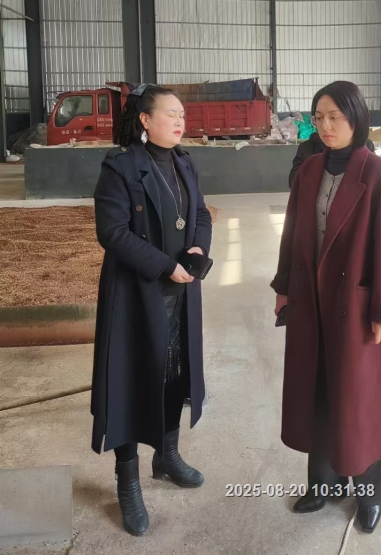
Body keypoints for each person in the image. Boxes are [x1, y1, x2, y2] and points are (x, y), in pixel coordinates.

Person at [272, 81, 381, 534]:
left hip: (358, 308)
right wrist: (283, 286)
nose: (326, 126)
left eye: (336, 117)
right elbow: (293, 233)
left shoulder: (379, 174)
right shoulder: (309, 170)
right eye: (320, 117)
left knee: (359, 403)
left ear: (356, 119)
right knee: (319, 395)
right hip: (311, 302)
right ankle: (324, 485)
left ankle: (369, 495)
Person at [91, 84, 212, 537]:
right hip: (136, 294)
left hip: (180, 294)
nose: (180, 121)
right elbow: (113, 233)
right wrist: (165, 266)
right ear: (145, 119)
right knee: (129, 384)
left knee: (173, 375)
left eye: (182, 114)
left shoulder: (184, 162)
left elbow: (201, 214)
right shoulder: (120, 167)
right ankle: (128, 485)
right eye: (170, 114)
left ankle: (167, 455)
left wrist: (198, 247)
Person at [289, 131, 375, 188]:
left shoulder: (366, 146)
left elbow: (373, 184)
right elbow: (294, 183)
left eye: (334, 118)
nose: (326, 125)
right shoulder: (307, 148)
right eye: (319, 118)